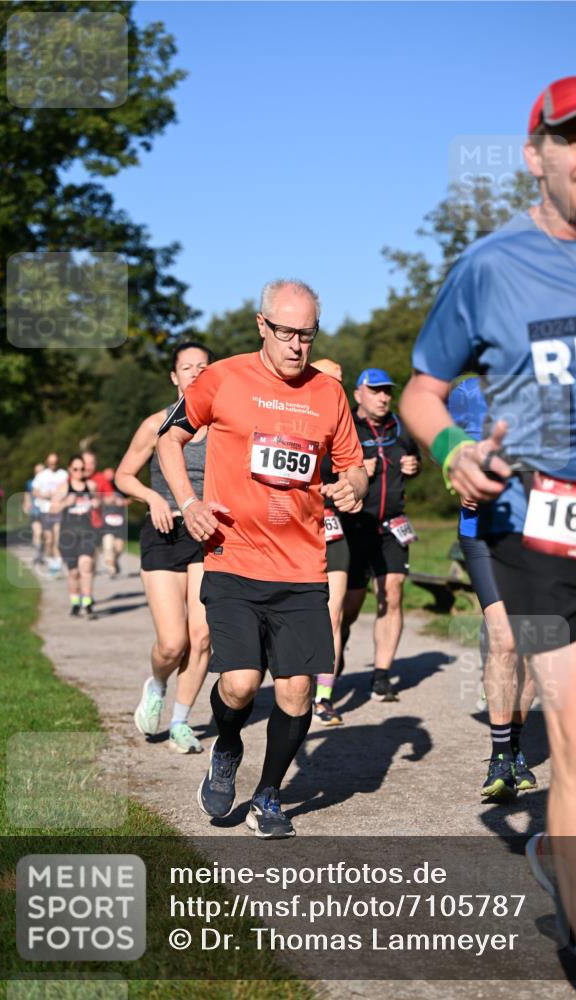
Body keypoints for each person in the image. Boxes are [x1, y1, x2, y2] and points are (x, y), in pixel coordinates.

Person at [401, 76, 576, 1000]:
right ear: (534, 152)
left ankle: (555, 845)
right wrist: (455, 445)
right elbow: (425, 391)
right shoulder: (489, 267)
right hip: (531, 536)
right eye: (575, 139)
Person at [156, 279, 367, 838]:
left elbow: (354, 464)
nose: (298, 345)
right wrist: (189, 502)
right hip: (232, 557)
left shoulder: (329, 393)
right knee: (242, 684)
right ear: (261, 326)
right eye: (287, 333)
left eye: (308, 334)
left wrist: (354, 487)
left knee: (297, 690)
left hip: (302, 565)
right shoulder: (222, 377)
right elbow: (168, 439)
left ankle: (268, 795)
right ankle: (227, 746)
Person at [116, 342, 214, 755]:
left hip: (208, 535)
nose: (194, 373)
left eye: (202, 367)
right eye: (186, 368)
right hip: (164, 533)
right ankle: (156, 684)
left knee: (202, 634)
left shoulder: (225, 428)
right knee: (173, 643)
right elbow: (123, 475)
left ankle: (180, 722)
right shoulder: (156, 423)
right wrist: (153, 499)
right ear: (174, 377)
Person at [448, 377, 537, 800]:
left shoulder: (551, 387)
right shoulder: (466, 392)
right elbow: (448, 449)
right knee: (503, 640)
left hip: (539, 535)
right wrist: (460, 479)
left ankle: (515, 745)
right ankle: (500, 756)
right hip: (481, 532)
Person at [340, 368, 420, 702]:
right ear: (358, 394)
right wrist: (356, 472)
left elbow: (413, 461)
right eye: (375, 391)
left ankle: (381, 676)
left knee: (393, 592)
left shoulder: (400, 429)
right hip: (355, 526)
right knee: (351, 604)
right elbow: (328, 468)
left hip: (392, 525)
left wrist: (413, 468)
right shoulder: (347, 429)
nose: (383, 397)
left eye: (387, 391)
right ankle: (338, 639)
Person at [310, 358, 353, 726]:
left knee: (333, 615)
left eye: (341, 381)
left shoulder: (344, 423)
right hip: (291, 531)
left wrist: (351, 485)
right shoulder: (296, 415)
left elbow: (355, 473)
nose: (336, 386)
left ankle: (323, 697)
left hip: (332, 529)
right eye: (330, 379)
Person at [51, 455, 99, 617]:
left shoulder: (91, 486)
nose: (79, 472)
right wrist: (65, 502)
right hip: (68, 535)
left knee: (86, 566)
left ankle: (88, 603)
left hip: (87, 533)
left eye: (82, 469)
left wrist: (96, 503)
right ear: (70, 470)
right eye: (76, 469)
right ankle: (75, 603)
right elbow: (52, 508)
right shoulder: (64, 487)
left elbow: (100, 503)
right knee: (73, 573)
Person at [32, 453, 68, 576]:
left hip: (58, 509)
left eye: (55, 463)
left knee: (57, 538)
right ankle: (51, 561)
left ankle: (57, 565)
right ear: (47, 463)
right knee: (49, 539)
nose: (53, 465)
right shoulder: (42, 475)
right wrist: (45, 495)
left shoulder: (63, 474)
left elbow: (69, 489)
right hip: (45, 510)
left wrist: (60, 496)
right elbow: (34, 491)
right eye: (51, 463)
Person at [99, 468, 130, 578]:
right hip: (106, 523)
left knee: (119, 548)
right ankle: (111, 569)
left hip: (119, 523)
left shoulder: (121, 488)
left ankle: (114, 561)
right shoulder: (100, 488)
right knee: (108, 546)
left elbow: (130, 499)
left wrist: (123, 502)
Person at [23, 463, 45, 565]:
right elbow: (27, 495)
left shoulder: (48, 482)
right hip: (35, 512)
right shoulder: (30, 483)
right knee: (37, 533)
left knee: (45, 535)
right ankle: (38, 555)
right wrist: (26, 504)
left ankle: (42, 554)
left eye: (41, 471)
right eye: (37, 471)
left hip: (47, 512)